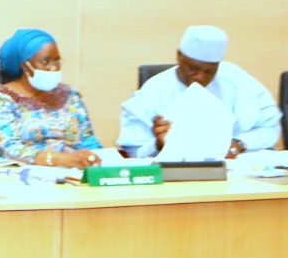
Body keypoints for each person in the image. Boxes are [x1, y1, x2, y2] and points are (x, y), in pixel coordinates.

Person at [116, 25, 279, 159]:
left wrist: (239, 144)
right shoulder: (152, 92)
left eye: (210, 71)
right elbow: (133, 153)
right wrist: (158, 145)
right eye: (193, 68)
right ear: (179, 56)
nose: (200, 77)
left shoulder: (236, 80)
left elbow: (270, 129)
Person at [0, 28, 100, 168]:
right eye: (46, 61)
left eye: (57, 61)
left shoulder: (70, 96)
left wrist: (93, 158)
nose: (54, 68)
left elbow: (88, 141)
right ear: (25, 65)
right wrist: (60, 159)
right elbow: (5, 149)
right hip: (20, 174)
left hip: (74, 173)